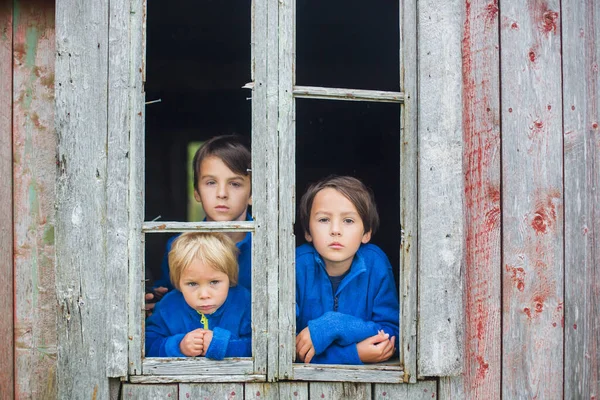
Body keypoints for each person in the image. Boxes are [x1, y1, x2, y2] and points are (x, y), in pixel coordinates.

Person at [295, 175, 399, 365]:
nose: (335, 230)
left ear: (366, 233)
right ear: (308, 232)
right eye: (324, 219)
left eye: (348, 221)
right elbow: (284, 348)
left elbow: (391, 336)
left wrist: (333, 325)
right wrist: (353, 354)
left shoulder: (375, 264)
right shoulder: (297, 266)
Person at [146, 135, 253, 311]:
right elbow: (172, 301)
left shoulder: (268, 247)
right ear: (196, 192)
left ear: (251, 194)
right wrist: (157, 300)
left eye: (234, 184)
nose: (222, 193)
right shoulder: (177, 246)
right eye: (211, 182)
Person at [145, 232, 252, 359]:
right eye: (192, 284)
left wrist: (225, 345)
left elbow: (260, 345)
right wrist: (179, 346)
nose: (204, 294)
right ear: (178, 282)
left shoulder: (243, 302)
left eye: (214, 282)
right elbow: (146, 345)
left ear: (230, 277)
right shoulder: (169, 306)